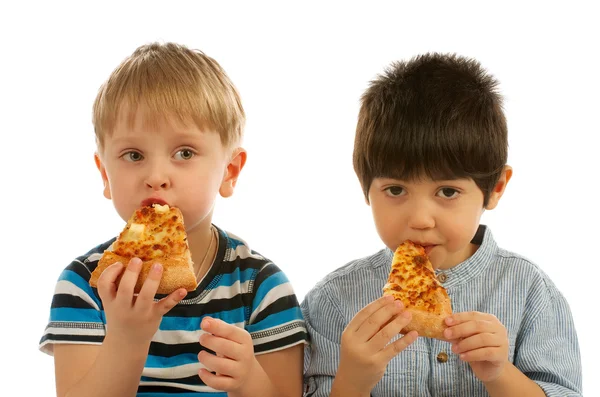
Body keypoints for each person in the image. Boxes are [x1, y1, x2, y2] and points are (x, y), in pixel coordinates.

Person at [301, 53, 582, 396]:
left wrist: (499, 373)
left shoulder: (530, 293)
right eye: (395, 189)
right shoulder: (333, 301)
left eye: (447, 191)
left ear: (495, 189)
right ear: (365, 188)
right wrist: (353, 380)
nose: (420, 219)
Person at [39, 42, 307, 397]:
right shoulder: (85, 286)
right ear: (104, 174)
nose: (156, 175)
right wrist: (127, 339)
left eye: (184, 152)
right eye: (133, 154)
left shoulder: (260, 287)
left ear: (229, 172)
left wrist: (249, 381)